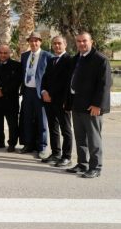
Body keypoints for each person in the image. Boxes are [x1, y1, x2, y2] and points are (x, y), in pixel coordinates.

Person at [65, 32, 111, 178]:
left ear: (92, 42)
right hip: (77, 104)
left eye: (84, 41)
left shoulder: (100, 59)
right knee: (80, 137)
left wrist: (98, 105)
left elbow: (104, 85)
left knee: (93, 139)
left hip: (92, 107)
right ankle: (82, 164)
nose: (81, 44)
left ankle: (96, 167)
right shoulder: (76, 58)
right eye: (79, 41)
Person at [40, 36, 73, 166]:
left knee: (66, 130)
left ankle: (67, 156)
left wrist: (65, 100)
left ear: (65, 44)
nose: (57, 46)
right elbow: (45, 78)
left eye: (59, 43)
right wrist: (44, 91)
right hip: (49, 101)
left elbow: (68, 83)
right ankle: (55, 153)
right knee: (53, 128)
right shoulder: (51, 60)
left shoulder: (69, 60)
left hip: (62, 101)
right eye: (54, 44)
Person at [19, 31, 53, 158]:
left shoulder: (47, 56)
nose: (33, 43)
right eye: (31, 41)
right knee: (27, 119)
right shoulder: (24, 56)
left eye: (36, 41)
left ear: (40, 42)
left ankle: (42, 147)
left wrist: (47, 91)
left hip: (40, 93)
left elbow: (50, 76)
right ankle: (28, 144)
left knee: (42, 120)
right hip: (27, 91)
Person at [0, 44, 22, 151]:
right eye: (1, 53)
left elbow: (16, 82)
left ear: (10, 53)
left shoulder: (16, 66)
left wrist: (3, 91)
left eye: (5, 53)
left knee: (12, 124)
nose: (3, 55)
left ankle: (12, 144)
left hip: (10, 99)